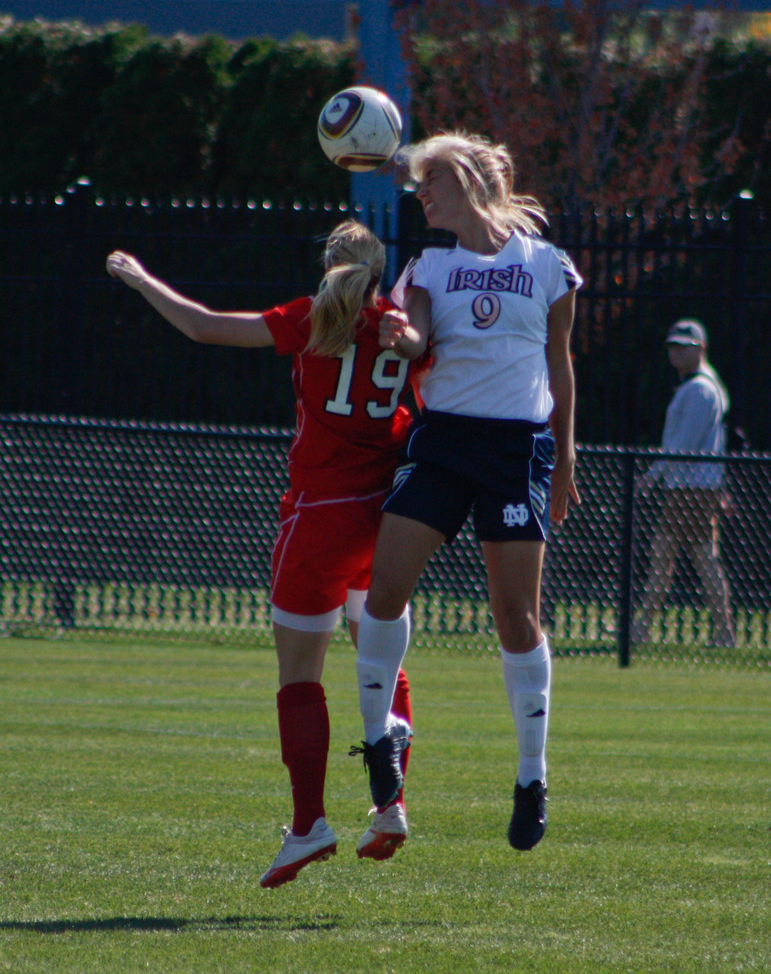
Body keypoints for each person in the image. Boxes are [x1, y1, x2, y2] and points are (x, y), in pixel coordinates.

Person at [106, 220, 424, 889]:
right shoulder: (404, 324)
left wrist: (138, 279)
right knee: (380, 655)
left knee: (300, 677)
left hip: (318, 519)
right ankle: (388, 802)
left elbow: (203, 325)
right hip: (388, 516)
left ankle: (309, 823)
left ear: (329, 267)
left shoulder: (313, 318)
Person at [348, 131, 582, 855]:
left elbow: (559, 362)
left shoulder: (546, 265)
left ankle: (530, 775)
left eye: (432, 182)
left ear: (471, 185)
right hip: (443, 441)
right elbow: (416, 338)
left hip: (516, 450)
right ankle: (379, 742)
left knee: (515, 617)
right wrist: (398, 334)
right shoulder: (428, 265)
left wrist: (567, 458)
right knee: (383, 590)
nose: (421, 194)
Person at [634, 319, 735, 647]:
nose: (676, 352)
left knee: (687, 556)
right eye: (673, 345)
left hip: (692, 487)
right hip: (689, 486)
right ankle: (645, 625)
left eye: (684, 346)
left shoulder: (700, 390)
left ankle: (721, 631)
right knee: (675, 555)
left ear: (701, 348)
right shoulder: (697, 387)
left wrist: (652, 475)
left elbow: (684, 446)